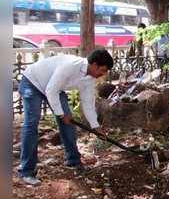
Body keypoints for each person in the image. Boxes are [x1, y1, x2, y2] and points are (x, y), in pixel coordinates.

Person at [18, 49, 113, 185]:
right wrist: (61, 114)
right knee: (31, 124)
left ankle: (73, 161)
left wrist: (96, 126)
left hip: (55, 88)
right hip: (33, 82)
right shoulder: (71, 65)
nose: (102, 75)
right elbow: (50, 90)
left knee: (68, 123)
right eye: (102, 70)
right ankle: (26, 171)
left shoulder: (90, 79)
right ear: (94, 65)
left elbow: (87, 103)